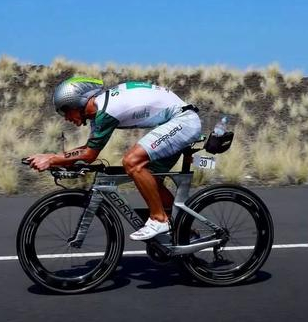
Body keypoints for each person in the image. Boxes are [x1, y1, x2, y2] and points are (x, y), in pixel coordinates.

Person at [27, 77, 202, 241]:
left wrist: (52, 159)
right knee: (149, 177)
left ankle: (159, 219)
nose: (65, 118)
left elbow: (89, 155)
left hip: (183, 121)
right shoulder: (100, 110)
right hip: (177, 121)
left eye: (65, 111)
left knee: (132, 162)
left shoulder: (105, 111)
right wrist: (56, 159)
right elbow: (88, 150)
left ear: (77, 102)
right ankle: (185, 231)